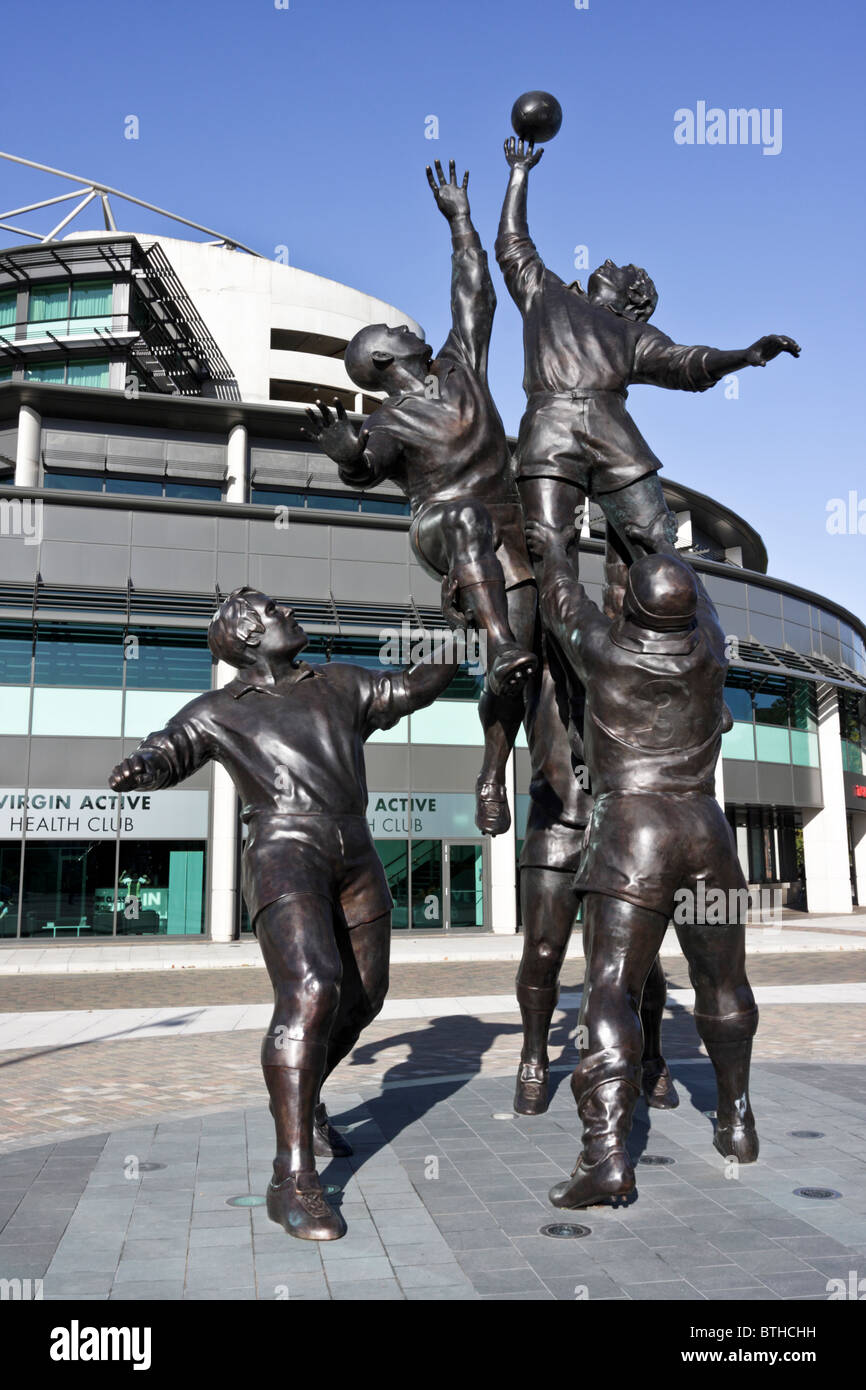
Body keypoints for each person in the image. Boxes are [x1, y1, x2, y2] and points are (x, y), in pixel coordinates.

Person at [108, 588, 457, 1241]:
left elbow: (412, 686)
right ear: (243, 635)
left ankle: (304, 1096)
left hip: (355, 852)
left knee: (364, 998)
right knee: (314, 988)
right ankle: (291, 1177)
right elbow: (171, 747)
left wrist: (461, 637)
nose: (289, 614)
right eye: (273, 612)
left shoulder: (341, 683)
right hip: (282, 851)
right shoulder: (220, 711)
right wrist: (143, 766)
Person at [526, 518, 759, 1210]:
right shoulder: (709, 653)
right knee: (723, 983)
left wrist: (557, 548)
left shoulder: (606, 653)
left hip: (635, 835)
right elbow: (707, 604)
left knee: (609, 989)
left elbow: (561, 600)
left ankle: (605, 1157)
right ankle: (738, 1120)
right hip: (708, 837)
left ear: (627, 607)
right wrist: (657, 542)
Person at [305, 160, 537, 837]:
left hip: (505, 536)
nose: (408, 330)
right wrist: (346, 453)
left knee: (527, 655)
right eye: (395, 334)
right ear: (381, 360)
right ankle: (495, 640)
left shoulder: (463, 367)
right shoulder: (383, 422)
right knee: (493, 604)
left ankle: (494, 769)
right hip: (439, 524)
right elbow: (366, 465)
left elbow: (474, 294)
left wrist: (460, 220)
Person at [497, 136, 800, 565]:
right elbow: (513, 244)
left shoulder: (636, 334)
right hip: (548, 429)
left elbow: (685, 363)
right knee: (547, 548)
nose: (608, 263)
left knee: (656, 541)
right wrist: (519, 174)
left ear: (633, 300)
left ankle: (680, 626)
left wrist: (744, 355)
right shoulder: (546, 294)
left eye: (624, 271)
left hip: (614, 435)